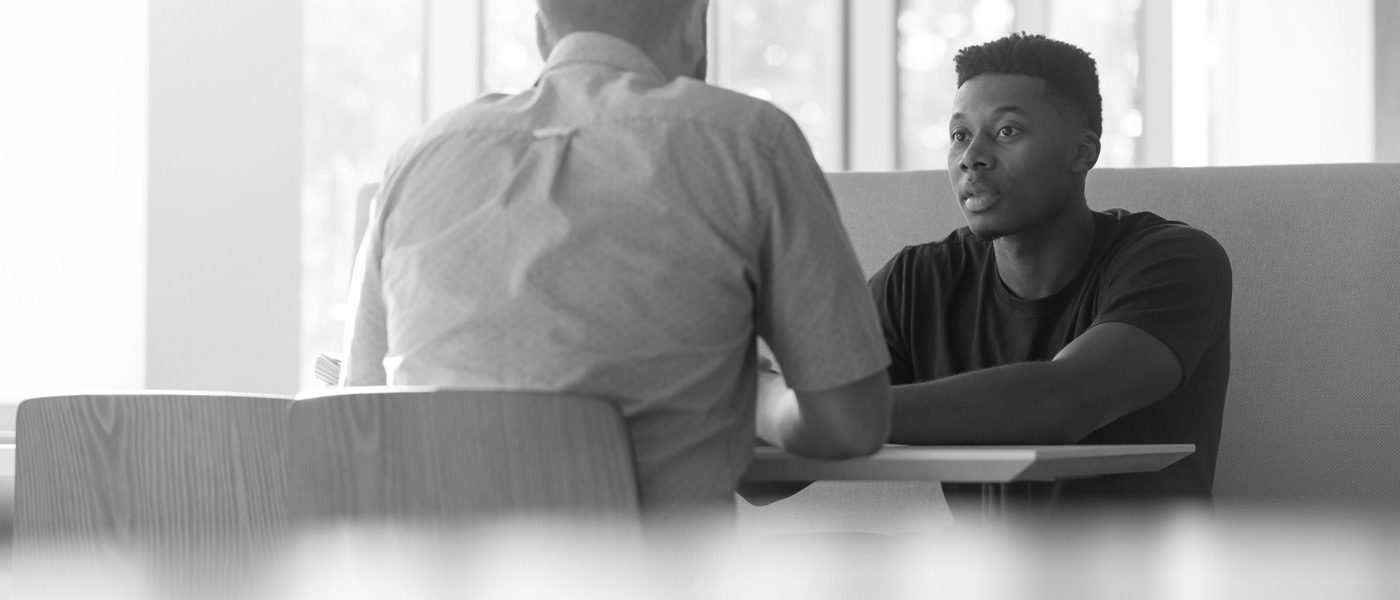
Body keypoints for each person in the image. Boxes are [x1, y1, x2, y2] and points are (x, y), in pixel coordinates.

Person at [338, 0, 891, 524]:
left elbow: (354, 420)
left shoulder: (416, 161)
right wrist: (762, 399)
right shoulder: (749, 143)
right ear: (695, 24)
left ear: (541, 31)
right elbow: (850, 424)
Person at [868, 32, 1231, 512]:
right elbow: (768, 481)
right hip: (984, 579)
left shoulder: (1174, 260)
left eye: (1007, 131)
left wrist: (831, 412)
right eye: (959, 135)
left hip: (1144, 578)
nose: (971, 156)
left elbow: (1061, 403)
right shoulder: (916, 282)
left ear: (1082, 153)